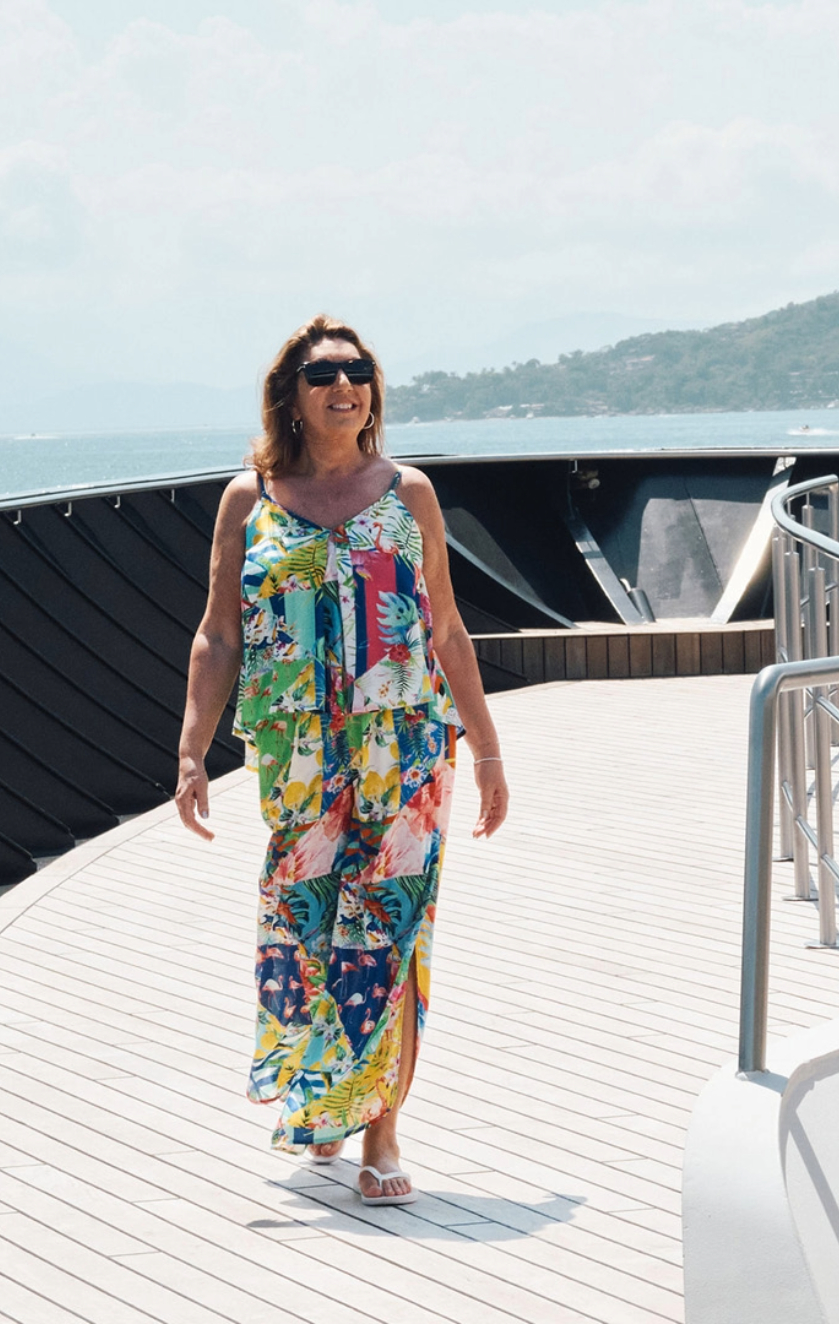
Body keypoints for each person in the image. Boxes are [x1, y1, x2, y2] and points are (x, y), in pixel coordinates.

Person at [175, 314, 508, 1206]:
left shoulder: (409, 493)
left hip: (405, 750)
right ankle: (324, 1093)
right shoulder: (249, 499)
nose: (344, 386)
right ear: (290, 395)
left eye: (357, 372)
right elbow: (218, 633)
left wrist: (486, 748)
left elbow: (446, 629)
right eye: (323, 374)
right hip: (297, 759)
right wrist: (192, 751)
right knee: (303, 923)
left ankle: (382, 1128)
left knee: (389, 928)